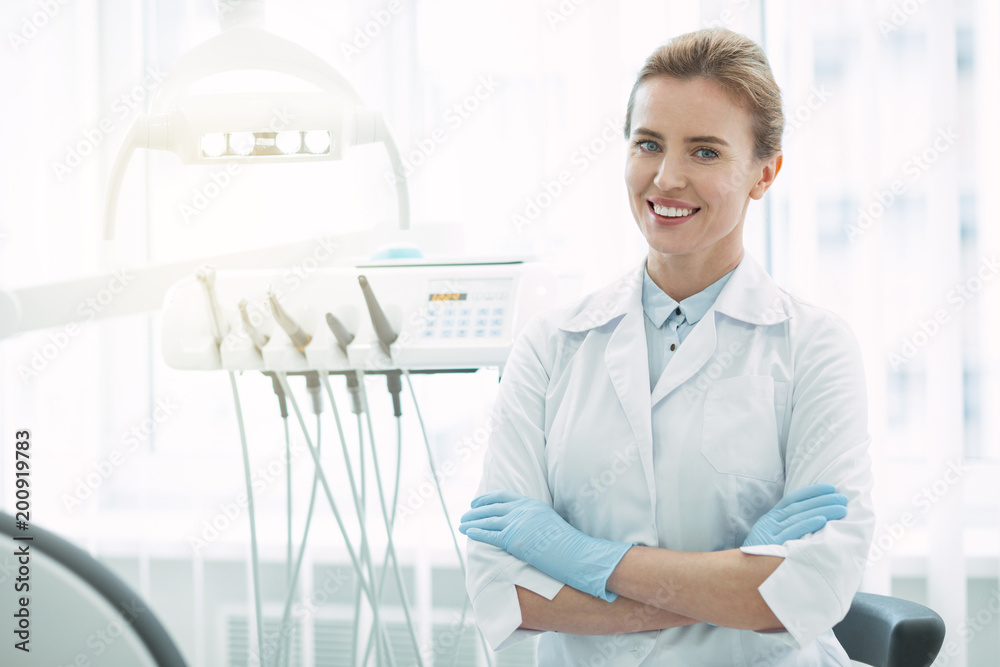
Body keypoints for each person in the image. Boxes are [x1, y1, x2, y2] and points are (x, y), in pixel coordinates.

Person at [458, 28, 875, 666]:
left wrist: (576, 556)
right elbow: (501, 586)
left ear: (766, 173)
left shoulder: (814, 348)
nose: (667, 177)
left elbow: (807, 592)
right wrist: (731, 581)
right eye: (648, 144)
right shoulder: (551, 345)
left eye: (705, 152)